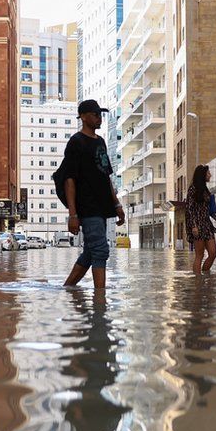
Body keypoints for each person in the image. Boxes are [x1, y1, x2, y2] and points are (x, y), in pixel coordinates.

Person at [62, 99, 126, 290]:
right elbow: (69, 179)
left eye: (101, 114)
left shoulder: (101, 142)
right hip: (87, 205)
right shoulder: (76, 142)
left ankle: (68, 289)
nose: (100, 118)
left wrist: (117, 205)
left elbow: (106, 176)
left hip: (102, 205)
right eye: (95, 114)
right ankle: (100, 299)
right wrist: (73, 215)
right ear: (83, 116)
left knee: (91, 252)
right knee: (100, 250)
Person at [186, 164, 216, 273]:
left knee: (213, 253)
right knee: (199, 255)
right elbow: (190, 209)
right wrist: (194, 226)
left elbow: (207, 209)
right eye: (208, 173)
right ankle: (198, 282)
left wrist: (215, 216)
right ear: (203, 175)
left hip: (207, 225)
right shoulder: (192, 190)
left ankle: (206, 275)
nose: (210, 175)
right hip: (197, 225)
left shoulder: (205, 190)